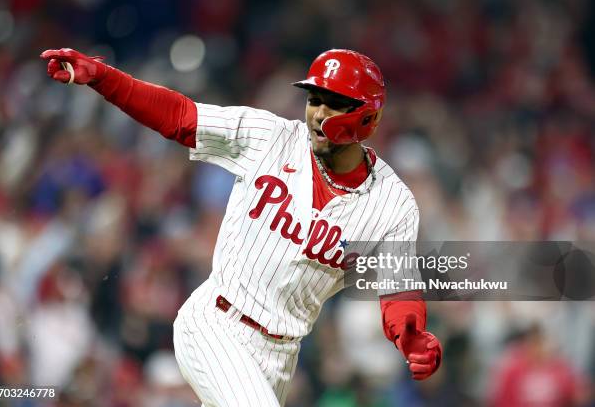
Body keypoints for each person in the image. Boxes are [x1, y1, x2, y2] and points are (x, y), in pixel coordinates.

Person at [41, 47, 442, 406]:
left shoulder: (393, 203)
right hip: (216, 323)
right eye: (314, 99)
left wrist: (411, 337)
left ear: (367, 116)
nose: (318, 112)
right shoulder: (271, 138)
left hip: (281, 357)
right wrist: (103, 78)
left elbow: (397, 292)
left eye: (334, 103)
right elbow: (181, 117)